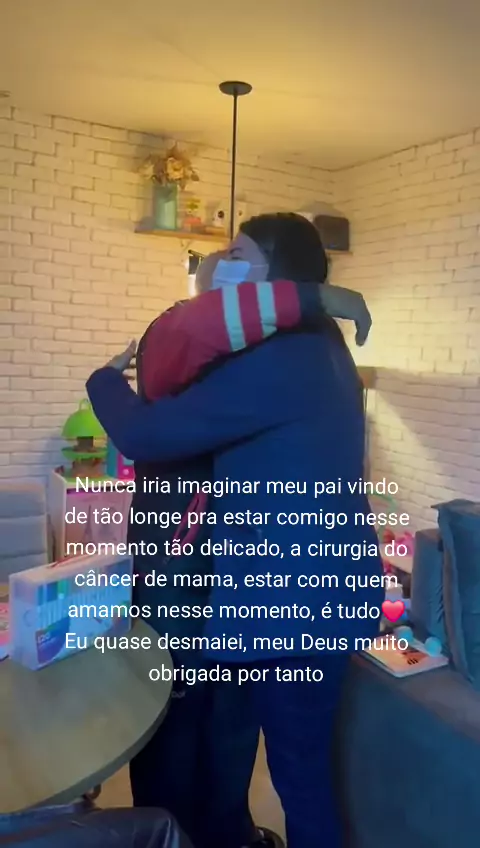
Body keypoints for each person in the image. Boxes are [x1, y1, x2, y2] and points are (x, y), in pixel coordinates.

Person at [86, 213, 383, 848]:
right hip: (320, 595)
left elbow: (142, 435)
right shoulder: (324, 345)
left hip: (291, 605)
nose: (221, 263)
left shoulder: (280, 357)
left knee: (300, 779)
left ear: (279, 276)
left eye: (238, 252)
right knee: (296, 765)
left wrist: (104, 382)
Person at [130, 273, 336, 848]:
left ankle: (228, 830)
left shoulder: (256, 359)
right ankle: (170, 834)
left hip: (237, 574)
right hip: (177, 570)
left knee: (232, 710)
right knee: (173, 706)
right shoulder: (174, 335)